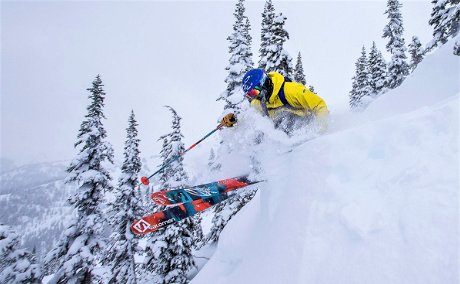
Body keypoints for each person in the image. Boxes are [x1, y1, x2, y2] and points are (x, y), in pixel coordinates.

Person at [241, 69, 329, 134]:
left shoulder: (291, 90)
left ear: (263, 84)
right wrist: (234, 122)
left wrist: (320, 129)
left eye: (254, 92)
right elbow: (252, 117)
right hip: (281, 134)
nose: (254, 96)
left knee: (284, 118)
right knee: (259, 130)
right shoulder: (260, 101)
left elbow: (319, 105)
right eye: (250, 94)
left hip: (303, 125)